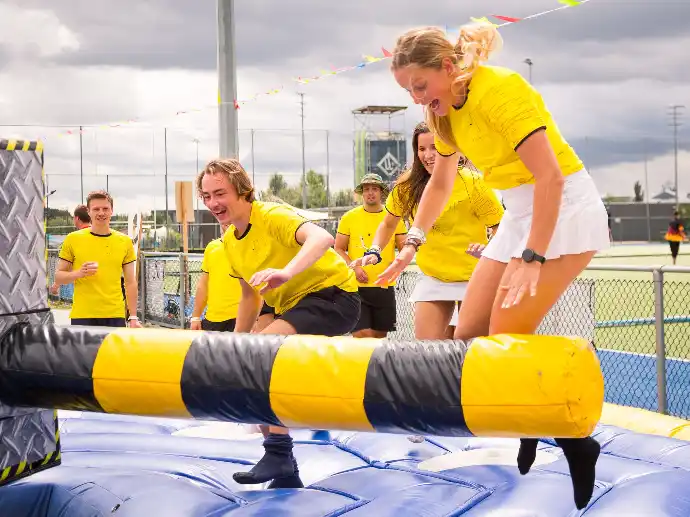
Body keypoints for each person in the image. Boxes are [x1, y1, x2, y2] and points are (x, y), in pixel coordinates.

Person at [378, 22, 611, 510]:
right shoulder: (441, 116)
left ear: (448, 67)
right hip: (519, 212)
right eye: (407, 91)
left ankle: (573, 439)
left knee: (505, 336)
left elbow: (549, 177)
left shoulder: (500, 90)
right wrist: (409, 245)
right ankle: (530, 417)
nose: (418, 98)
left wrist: (532, 257)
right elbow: (439, 184)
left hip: (563, 207)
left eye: (420, 86)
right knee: (467, 338)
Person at [197, 158, 360, 489]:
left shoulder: (271, 216)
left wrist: (287, 272)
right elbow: (248, 296)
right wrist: (236, 342)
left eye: (220, 193)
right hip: (288, 303)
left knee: (261, 355)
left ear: (243, 192)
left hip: (332, 295)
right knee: (248, 362)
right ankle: (286, 471)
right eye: (206, 196)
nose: (213, 203)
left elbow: (321, 238)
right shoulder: (229, 241)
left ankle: (279, 452)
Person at [351, 123, 503, 339]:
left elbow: (500, 228)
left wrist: (489, 249)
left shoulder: (474, 183)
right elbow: (387, 224)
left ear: (450, 147)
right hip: (435, 278)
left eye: (434, 147)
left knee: (466, 349)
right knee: (427, 351)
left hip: (474, 279)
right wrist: (374, 251)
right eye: (422, 149)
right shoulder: (406, 187)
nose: (428, 155)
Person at [54, 191, 142, 328]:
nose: (101, 213)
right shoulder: (73, 239)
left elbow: (130, 282)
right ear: (88, 212)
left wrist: (133, 317)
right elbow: (58, 277)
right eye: (96, 209)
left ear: (112, 211)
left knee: (113, 351)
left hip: (114, 315)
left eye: (105, 208)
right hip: (83, 315)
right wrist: (79, 273)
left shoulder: (124, 242)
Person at [335, 173, 407, 338]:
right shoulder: (349, 218)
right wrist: (355, 268)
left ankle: (374, 365)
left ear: (381, 192)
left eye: (374, 189)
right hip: (356, 287)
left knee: (378, 340)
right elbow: (338, 249)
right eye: (366, 189)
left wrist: (396, 264)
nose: (370, 193)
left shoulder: (394, 218)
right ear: (362, 193)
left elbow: (404, 247)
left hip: (383, 285)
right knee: (362, 335)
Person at [190, 230, 242, 331]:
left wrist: (258, 319)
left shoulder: (252, 245)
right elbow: (203, 285)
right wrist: (196, 317)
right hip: (213, 320)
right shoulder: (212, 247)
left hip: (242, 319)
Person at [50, 204, 91, 295]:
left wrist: (56, 285)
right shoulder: (101, 235)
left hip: (83, 294)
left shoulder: (73, 238)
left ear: (77, 218)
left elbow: (66, 266)